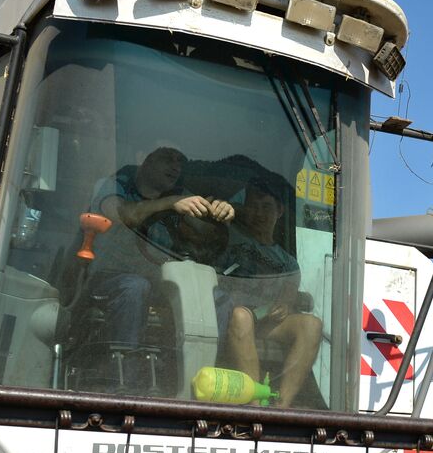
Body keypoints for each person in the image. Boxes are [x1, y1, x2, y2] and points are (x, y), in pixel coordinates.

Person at [87, 146, 236, 388]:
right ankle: (124, 386)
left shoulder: (180, 195)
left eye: (180, 161)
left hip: (161, 284)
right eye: (168, 158)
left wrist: (220, 212)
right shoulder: (115, 185)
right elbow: (126, 215)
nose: (176, 166)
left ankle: (198, 385)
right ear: (141, 157)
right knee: (134, 287)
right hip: (108, 278)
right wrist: (170, 203)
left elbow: (208, 234)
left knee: (217, 299)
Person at [219, 179, 322, 407]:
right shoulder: (229, 238)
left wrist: (283, 307)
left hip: (266, 324)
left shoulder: (288, 263)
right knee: (241, 316)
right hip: (228, 316)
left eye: (266, 206)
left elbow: (287, 298)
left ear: (279, 211)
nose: (258, 213)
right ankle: (255, 406)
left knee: (311, 324)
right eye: (253, 206)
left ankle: (281, 406)